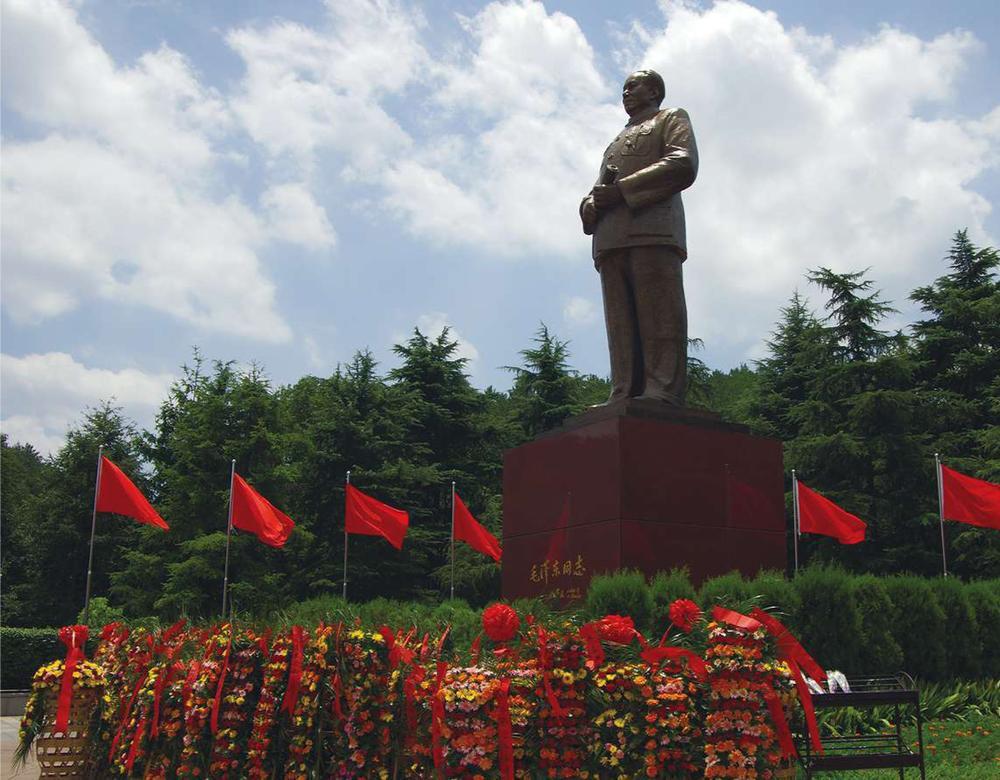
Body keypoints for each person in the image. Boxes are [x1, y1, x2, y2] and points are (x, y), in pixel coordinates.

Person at [581, 69, 698, 406]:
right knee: (620, 323)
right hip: (611, 238)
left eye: (633, 86)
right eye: (623, 88)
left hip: (653, 229)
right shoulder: (616, 139)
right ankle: (624, 391)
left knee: (659, 312)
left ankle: (661, 390)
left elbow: (682, 162)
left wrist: (622, 192)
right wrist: (588, 204)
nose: (626, 92)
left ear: (655, 91)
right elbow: (598, 185)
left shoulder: (670, 118)